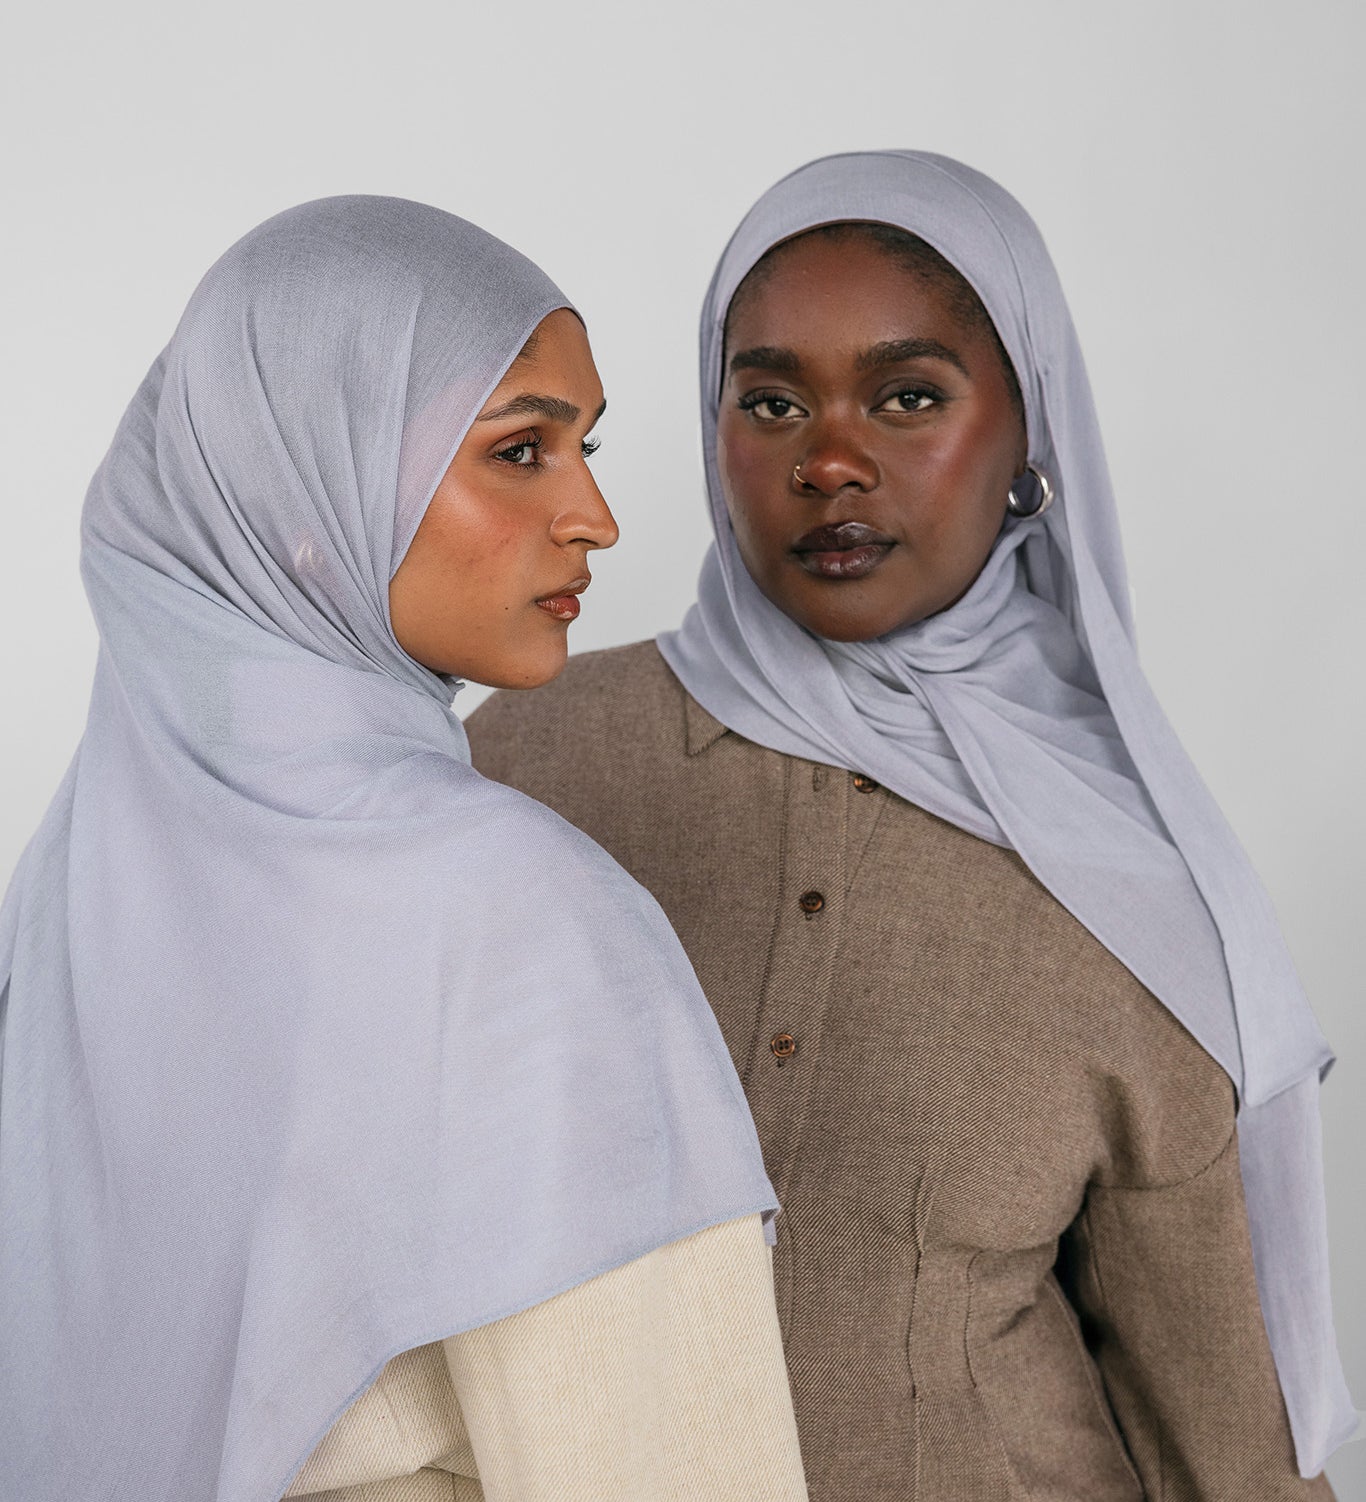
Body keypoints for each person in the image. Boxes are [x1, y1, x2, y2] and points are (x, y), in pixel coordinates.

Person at [466, 152, 1357, 1500]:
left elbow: (1221, 1437)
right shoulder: (519, 765)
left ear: (1026, 439)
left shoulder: (1123, 870)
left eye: (908, 398)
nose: (828, 459)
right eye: (767, 401)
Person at [0, 196, 808, 1502]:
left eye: (584, 446)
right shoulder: (517, 920)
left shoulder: (70, 902)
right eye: (520, 450)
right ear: (302, 491)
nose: (595, 513)